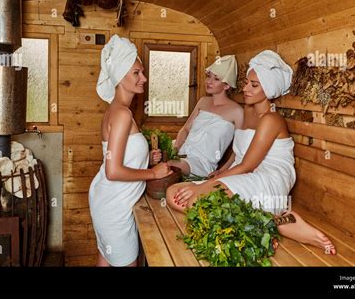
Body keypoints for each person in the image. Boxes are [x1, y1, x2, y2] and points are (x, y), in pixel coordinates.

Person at [166, 50, 336, 255]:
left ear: (269, 90)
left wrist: (207, 185)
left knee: (196, 199)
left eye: (254, 85)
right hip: (247, 173)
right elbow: (239, 154)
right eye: (247, 82)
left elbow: (248, 165)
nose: (245, 88)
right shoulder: (247, 112)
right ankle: (272, 222)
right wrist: (221, 172)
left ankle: (279, 221)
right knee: (172, 194)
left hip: (269, 178)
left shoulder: (271, 120)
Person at [89, 35, 172, 267]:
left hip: (108, 200)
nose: (143, 78)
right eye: (136, 73)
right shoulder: (122, 114)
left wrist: (147, 160)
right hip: (114, 206)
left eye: (142, 72)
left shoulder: (119, 110)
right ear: (120, 75)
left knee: (106, 259)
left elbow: (119, 157)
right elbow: (113, 170)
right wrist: (154, 174)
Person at [168, 55, 244, 177]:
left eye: (216, 79)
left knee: (170, 165)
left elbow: (239, 150)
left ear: (227, 85)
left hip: (201, 163)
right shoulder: (203, 101)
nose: (209, 81)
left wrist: (222, 171)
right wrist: (175, 149)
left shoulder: (237, 112)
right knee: (154, 155)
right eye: (209, 76)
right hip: (182, 153)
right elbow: (186, 129)